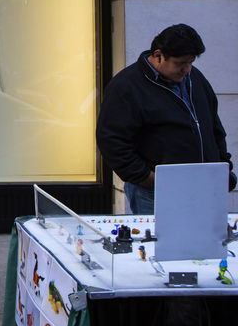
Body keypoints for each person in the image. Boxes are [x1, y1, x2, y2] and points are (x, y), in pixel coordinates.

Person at [96, 23, 234, 214]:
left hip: (204, 186)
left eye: (191, 62)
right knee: (161, 243)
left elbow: (213, 127)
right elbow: (111, 141)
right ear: (159, 55)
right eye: (180, 63)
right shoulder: (126, 86)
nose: (187, 69)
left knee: (204, 241)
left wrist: (222, 166)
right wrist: (146, 177)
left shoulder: (196, 79)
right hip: (155, 192)